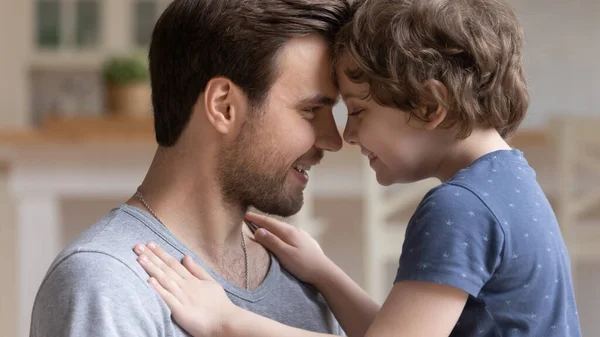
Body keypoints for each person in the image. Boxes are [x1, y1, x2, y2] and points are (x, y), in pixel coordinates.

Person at [132, 0, 583, 336]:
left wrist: (225, 321)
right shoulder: (509, 181)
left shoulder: (460, 207)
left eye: (359, 111)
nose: (345, 137)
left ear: (429, 106)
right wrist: (325, 274)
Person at [29, 0, 352, 336]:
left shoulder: (304, 273)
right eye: (312, 110)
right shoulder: (107, 283)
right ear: (223, 106)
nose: (333, 140)